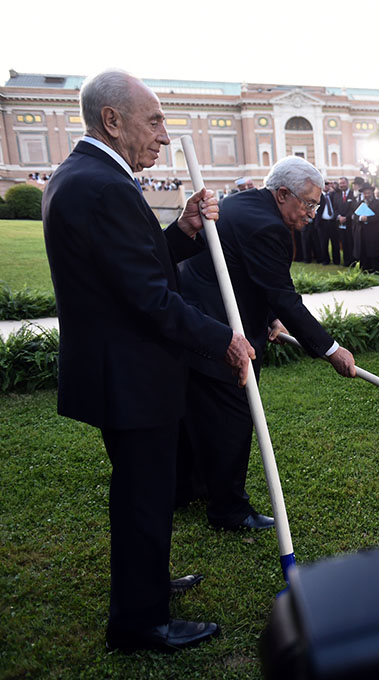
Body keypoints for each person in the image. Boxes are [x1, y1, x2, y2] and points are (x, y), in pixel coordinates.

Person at [41, 69, 255, 652]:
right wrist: (226, 339)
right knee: (142, 495)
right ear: (113, 120)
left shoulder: (86, 177)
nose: (164, 136)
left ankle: (147, 587)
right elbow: (149, 299)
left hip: (124, 370)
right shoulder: (103, 185)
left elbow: (136, 266)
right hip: (130, 374)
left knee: (148, 491)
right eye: (154, 120)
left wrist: (182, 230)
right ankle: (140, 621)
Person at [177, 157, 356, 530]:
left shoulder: (246, 201)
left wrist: (269, 316)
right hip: (217, 325)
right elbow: (284, 296)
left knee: (202, 413)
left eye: (317, 203)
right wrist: (330, 349)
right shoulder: (267, 226)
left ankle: (190, 487)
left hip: (198, 315)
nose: (313, 212)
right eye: (308, 203)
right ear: (282, 193)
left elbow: (249, 272)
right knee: (233, 417)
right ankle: (229, 510)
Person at [351, 183, 379, 272]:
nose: (367, 195)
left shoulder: (378, 203)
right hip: (362, 233)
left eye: (368, 193)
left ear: (372, 193)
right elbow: (354, 216)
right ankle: (365, 271)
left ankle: (375, 271)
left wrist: (368, 218)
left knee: (374, 254)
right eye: (365, 193)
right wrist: (360, 218)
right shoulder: (359, 203)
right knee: (363, 253)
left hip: (373, 233)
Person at [332, 176, 355, 265]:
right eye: (340, 183)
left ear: (347, 183)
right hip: (340, 223)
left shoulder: (353, 194)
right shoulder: (336, 195)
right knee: (344, 242)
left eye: (343, 183)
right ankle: (346, 261)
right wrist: (339, 217)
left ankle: (353, 261)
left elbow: (353, 208)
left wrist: (346, 217)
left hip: (350, 223)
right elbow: (335, 208)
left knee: (351, 242)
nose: (342, 185)